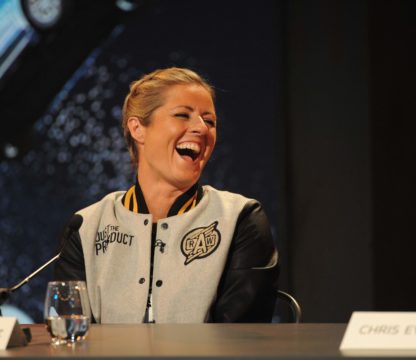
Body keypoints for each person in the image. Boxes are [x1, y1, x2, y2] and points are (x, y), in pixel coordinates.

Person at [54, 67, 278, 323]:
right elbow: (69, 337)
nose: (201, 129)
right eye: (183, 115)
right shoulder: (85, 227)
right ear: (138, 129)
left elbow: (241, 338)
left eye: (210, 121)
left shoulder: (241, 219)